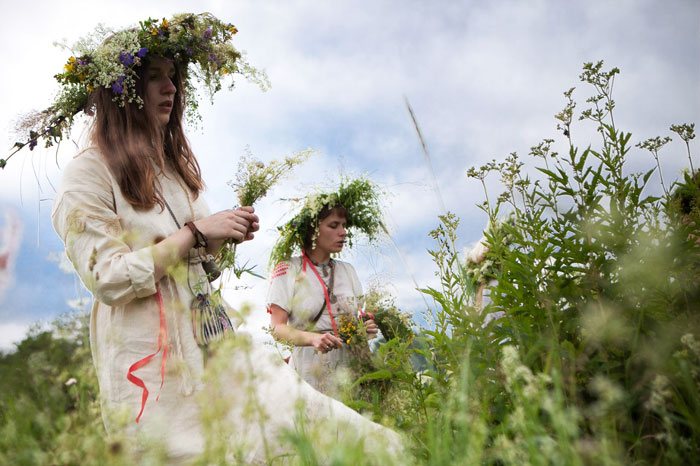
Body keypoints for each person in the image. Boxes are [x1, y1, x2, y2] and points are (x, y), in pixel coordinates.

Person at [23, 13, 403, 464]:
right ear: (123, 90)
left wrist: (225, 234)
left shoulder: (173, 171)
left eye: (174, 78)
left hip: (213, 334)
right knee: (186, 454)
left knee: (300, 421)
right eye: (154, 77)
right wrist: (197, 232)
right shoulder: (86, 174)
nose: (171, 88)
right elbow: (109, 278)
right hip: (148, 355)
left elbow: (204, 260)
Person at [266, 200, 380, 397]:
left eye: (344, 226)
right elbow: (277, 328)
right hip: (311, 368)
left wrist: (365, 328)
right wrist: (313, 338)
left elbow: (358, 317)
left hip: (353, 367)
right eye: (334, 225)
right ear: (312, 231)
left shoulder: (348, 270)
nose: (343, 232)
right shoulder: (288, 268)